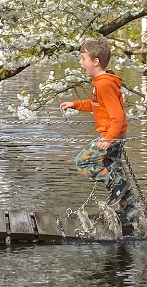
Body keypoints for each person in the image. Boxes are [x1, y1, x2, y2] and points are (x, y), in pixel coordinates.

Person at [59, 39, 140, 230]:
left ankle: (118, 185)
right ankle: (130, 213)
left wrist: (108, 139)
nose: (80, 62)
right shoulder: (99, 83)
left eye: (83, 58)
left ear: (95, 61)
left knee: (83, 161)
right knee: (115, 168)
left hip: (110, 137)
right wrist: (75, 104)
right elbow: (96, 104)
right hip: (112, 136)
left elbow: (117, 115)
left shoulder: (104, 84)